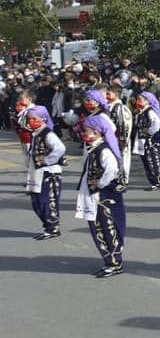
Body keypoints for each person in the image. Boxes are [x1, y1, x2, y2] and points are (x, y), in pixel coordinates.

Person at [76, 114, 127, 278]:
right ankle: (109, 260)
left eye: (87, 131)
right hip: (94, 194)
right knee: (97, 227)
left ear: (97, 132)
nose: (85, 134)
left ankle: (114, 262)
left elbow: (111, 170)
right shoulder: (92, 147)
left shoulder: (104, 150)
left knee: (107, 227)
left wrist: (100, 183)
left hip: (103, 196)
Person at [25, 105, 65, 240]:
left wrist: (48, 160)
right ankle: (48, 226)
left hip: (50, 172)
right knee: (36, 202)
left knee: (47, 201)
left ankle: (53, 228)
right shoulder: (36, 133)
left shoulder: (48, 133)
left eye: (34, 118)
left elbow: (60, 148)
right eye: (29, 119)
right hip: (38, 172)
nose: (31, 121)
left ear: (43, 118)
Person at [133, 91, 160, 191]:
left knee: (153, 160)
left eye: (140, 100)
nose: (138, 102)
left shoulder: (150, 112)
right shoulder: (140, 112)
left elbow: (157, 124)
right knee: (146, 161)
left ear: (147, 101)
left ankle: (158, 181)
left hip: (150, 141)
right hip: (142, 141)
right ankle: (153, 181)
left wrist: (149, 133)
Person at [105, 83, 133, 188]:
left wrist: (122, 139)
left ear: (116, 94)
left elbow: (123, 124)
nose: (106, 96)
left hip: (119, 138)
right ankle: (114, 177)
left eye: (109, 93)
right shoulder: (110, 106)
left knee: (122, 158)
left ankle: (122, 179)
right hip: (111, 138)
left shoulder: (120, 108)